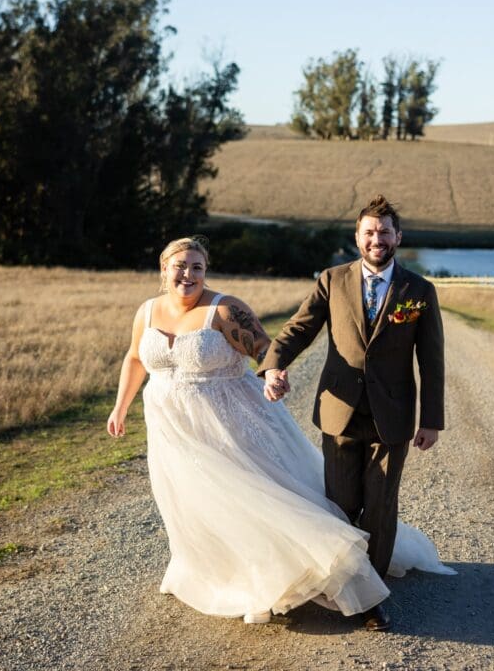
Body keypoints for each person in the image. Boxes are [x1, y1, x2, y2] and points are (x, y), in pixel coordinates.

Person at [108, 234, 453, 630]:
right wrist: (120, 407)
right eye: (179, 266)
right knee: (192, 501)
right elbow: (135, 358)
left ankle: (267, 584)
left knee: (251, 499)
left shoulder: (224, 310)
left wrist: (273, 374)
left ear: (206, 271)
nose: (187, 274)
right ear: (164, 269)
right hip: (171, 427)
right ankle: (212, 570)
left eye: (197, 267)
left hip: (228, 424)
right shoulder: (147, 311)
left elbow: (263, 348)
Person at [258, 195, 448, 631]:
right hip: (339, 410)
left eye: (385, 232)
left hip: (393, 416)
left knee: (380, 506)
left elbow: (431, 360)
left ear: (398, 237)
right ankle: (341, 583)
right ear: (357, 237)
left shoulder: (418, 291)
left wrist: (431, 419)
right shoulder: (332, 279)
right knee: (341, 504)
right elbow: (300, 327)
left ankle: (370, 597)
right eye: (369, 232)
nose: (377, 239)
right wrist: (273, 365)